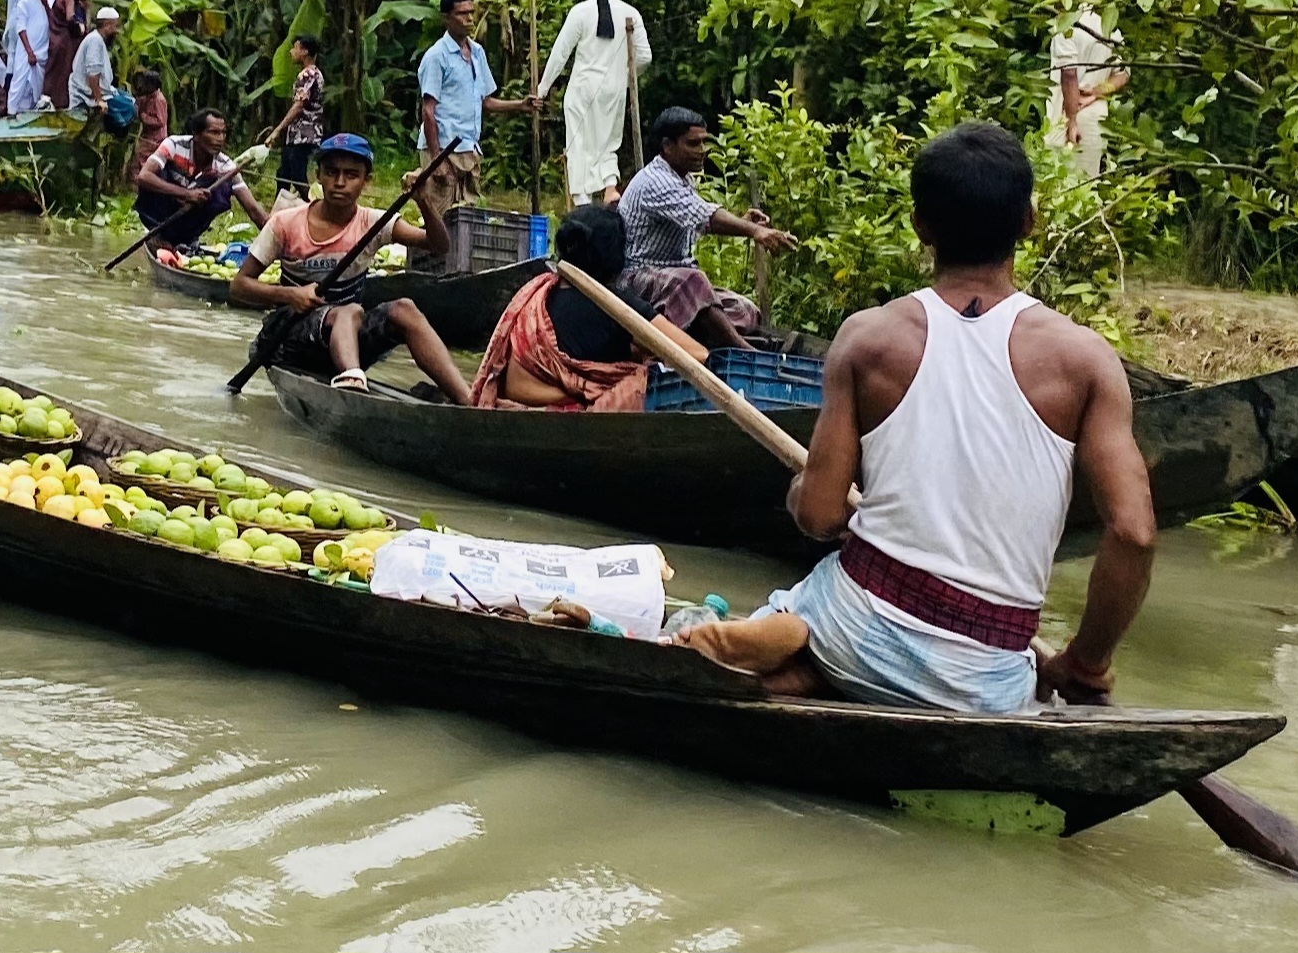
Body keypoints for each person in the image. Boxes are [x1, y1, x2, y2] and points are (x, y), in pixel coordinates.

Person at [676, 122, 1157, 715]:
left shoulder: (868, 339)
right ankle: (806, 660)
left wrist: (804, 490)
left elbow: (822, 517)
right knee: (994, 670)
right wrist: (1083, 665)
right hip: (988, 682)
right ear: (1028, 223)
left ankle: (786, 651)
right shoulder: (1086, 361)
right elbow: (1135, 534)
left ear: (919, 226)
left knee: (817, 607)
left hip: (855, 629)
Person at [231, 133, 473, 403]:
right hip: (292, 336)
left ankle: (469, 398)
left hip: (349, 339)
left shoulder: (374, 222)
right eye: (331, 173)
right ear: (318, 176)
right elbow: (239, 285)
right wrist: (289, 295)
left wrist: (423, 202)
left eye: (351, 175)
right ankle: (351, 378)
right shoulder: (284, 224)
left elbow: (439, 245)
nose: (340, 183)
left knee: (404, 308)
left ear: (366, 182)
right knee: (349, 310)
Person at [471, 205, 706, 411]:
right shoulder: (617, 306)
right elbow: (696, 356)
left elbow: (512, 382)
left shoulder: (538, 295)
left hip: (523, 405)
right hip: (584, 412)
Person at [619, 107, 794, 350]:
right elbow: (705, 216)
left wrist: (741, 221)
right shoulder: (655, 182)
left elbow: (695, 218)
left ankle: (689, 338)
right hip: (639, 279)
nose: (702, 150)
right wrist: (755, 231)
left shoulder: (683, 179)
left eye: (703, 142)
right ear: (668, 146)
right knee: (693, 280)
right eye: (693, 144)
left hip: (674, 282)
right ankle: (746, 352)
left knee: (746, 311)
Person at [536, 0, 652, 205]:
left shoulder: (580, 12)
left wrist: (542, 88)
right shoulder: (631, 12)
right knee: (609, 140)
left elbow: (560, 53)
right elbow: (645, 56)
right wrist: (627, 75)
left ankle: (581, 198)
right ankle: (610, 186)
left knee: (579, 142)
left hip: (583, 88)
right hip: (615, 88)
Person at [416, 0, 534, 219]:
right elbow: (428, 111)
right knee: (439, 216)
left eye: (471, 13)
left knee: (465, 218)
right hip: (444, 148)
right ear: (446, 18)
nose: (469, 19)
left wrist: (521, 104)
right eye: (462, 14)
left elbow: (486, 101)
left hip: (469, 149)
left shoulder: (477, 52)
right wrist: (436, 159)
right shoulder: (436, 56)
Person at [136, 110, 271, 250]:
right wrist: (185, 194)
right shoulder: (174, 145)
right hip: (162, 211)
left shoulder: (225, 166)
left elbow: (253, 209)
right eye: (214, 132)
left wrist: (276, 234)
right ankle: (157, 235)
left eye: (223, 133)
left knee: (222, 187)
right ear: (197, 134)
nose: (220, 139)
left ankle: (187, 239)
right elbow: (144, 176)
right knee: (156, 176)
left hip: (189, 219)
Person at [1046, 8, 1128, 179]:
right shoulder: (1108, 24)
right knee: (1086, 183)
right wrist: (1096, 92)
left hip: (1065, 114)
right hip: (1095, 115)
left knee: (1054, 178)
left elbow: (1069, 74)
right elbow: (1123, 73)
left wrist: (1072, 120)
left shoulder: (1066, 25)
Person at [266, 35, 328, 195]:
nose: (291, 52)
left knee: (296, 176)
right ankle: (279, 211)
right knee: (283, 174)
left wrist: (278, 130)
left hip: (303, 133)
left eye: (295, 48)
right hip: (301, 133)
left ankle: (314, 205)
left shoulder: (307, 75)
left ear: (305, 51)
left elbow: (299, 105)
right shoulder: (316, 73)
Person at [7, 0, 52, 113]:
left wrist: (45, 3)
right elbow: (21, 29)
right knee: (19, 81)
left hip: (43, 48)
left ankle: (34, 112)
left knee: (38, 83)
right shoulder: (24, 3)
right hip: (26, 50)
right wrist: (29, 52)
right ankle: (12, 112)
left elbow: (54, 20)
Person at [44, 0, 92, 108]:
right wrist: (81, 29)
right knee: (61, 78)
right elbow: (70, 18)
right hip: (64, 45)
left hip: (64, 45)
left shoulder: (73, 1)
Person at [67, 4, 120, 117]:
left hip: (98, 93)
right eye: (115, 26)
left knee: (128, 101)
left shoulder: (97, 39)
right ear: (107, 25)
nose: (117, 31)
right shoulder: (95, 41)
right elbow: (93, 75)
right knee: (127, 109)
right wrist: (99, 100)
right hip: (86, 96)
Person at [126, 68, 170, 183]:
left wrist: (144, 117)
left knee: (140, 162)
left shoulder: (158, 100)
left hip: (154, 138)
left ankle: (139, 186)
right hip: (149, 136)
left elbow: (160, 121)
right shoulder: (149, 96)